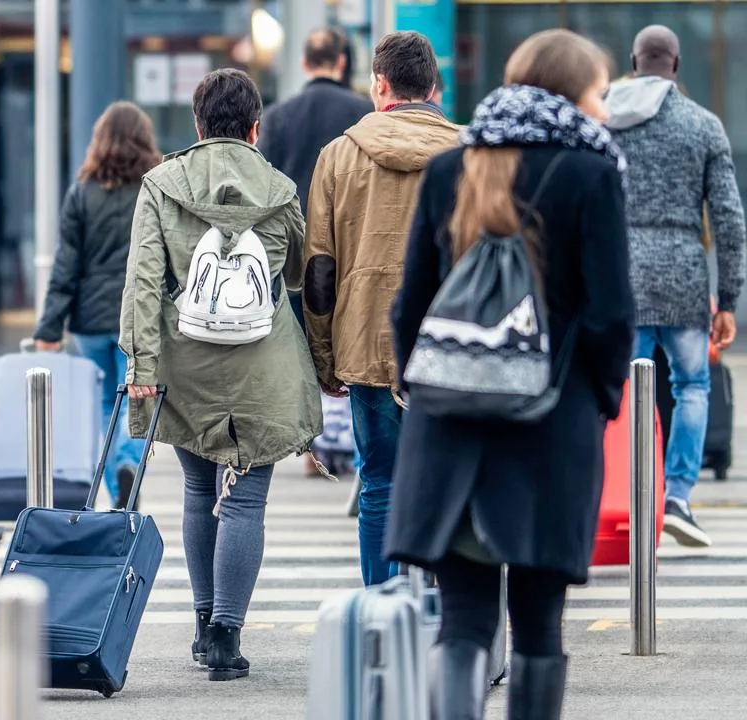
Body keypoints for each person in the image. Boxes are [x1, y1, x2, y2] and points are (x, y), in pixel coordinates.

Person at [386, 29, 634, 718]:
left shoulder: (447, 170)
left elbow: (410, 305)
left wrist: (427, 390)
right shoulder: (591, 175)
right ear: (569, 95)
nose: (605, 111)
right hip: (550, 427)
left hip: (451, 427)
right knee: (537, 623)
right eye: (598, 95)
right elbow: (612, 313)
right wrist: (601, 398)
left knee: (462, 619)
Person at [120, 68, 322, 682]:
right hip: (263, 363)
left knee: (198, 490)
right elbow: (293, 274)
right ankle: (229, 637)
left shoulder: (161, 185)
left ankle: (204, 624)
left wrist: (143, 366)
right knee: (246, 501)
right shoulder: (281, 188)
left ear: (198, 125)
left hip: (186, 362)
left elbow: (145, 284)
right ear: (256, 128)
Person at [302, 31, 459, 587]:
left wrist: (325, 357)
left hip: (367, 343)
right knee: (451, 484)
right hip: (454, 346)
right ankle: (453, 619)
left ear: (381, 84)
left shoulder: (339, 155)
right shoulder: (470, 154)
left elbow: (319, 270)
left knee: (380, 485)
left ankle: (382, 614)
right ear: (434, 87)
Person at [603, 25, 746, 548]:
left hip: (622, 273)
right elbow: (729, 221)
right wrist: (728, 299)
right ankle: (678, 496)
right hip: (684, 272)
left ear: (633, 61)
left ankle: (623, 491)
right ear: (677, 65)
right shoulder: (703, 124)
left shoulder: (605, 119)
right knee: (691, 386)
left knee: (618, 387)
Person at [33, 101, 160, 508]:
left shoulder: (81, 194)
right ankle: (128, 465)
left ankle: (115, 486)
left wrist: (49, 329)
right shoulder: (154, 190)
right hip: (138, 320)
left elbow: (65, 266)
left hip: (88, 321)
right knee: (139, 401)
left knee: (104, 404)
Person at [257, 27, 372, 477]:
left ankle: (313, 448)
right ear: (342, 63)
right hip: (350, 246)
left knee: (306, 347)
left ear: (305, 63)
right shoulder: (363, 113)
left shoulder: (280, 116)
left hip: (297, 254)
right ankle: (355, 444)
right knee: (350, 343)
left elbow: (265, 184)